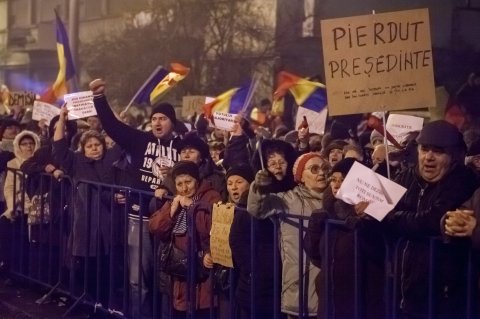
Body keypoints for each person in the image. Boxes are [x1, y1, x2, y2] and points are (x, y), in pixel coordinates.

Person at [90, 79, 182, 318]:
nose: (157, 122)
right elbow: (112, 126)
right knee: (137, 279)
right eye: (154, 119)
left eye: (163, 118)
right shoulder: (141, 140)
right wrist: (99, 97)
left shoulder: (183, 145)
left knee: (166, 279)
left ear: (172, 122)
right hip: (138, 216)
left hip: (171, 220)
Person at [383, 120, 479, 319]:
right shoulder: (406, 177)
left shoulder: (462, 180)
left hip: (442, 296)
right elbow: (380, 209)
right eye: (424, 149)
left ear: (453, 156)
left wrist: (391, 218)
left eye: (438, 151)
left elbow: (432, 220)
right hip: (401, 291)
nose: (428, 158)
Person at [248, 152, 330, 318]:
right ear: (301, 176)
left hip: (330, 285)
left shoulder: (338, 200)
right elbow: (257, 209)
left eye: (325, 168)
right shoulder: (288, 200)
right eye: (314, 169)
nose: (321, 173)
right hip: (300, 284)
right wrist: (259, 188)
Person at [53, 107, 120, 304]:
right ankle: (86, 302)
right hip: (85, 223)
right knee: (85, 265)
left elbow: (122, 137)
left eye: (97, 144)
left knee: (106, 265)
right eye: (89, 145)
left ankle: (104, 304)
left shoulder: (110, 159)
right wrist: (62, 119)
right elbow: (58, 145)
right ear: (82, 149)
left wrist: (113, 115)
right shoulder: (75, 162)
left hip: (107, 222)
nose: (94, 148)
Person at [304, 158, 385, 319]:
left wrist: (365, 227)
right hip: (330, 301)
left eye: (343, 179)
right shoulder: (328, 212)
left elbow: (378, 255)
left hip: (360, 302)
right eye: (333, 179)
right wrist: (314, 226)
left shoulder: (370, 215)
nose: (336, 184)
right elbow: (314, 255)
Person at [149, 161, 221, 319]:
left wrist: (193, 206)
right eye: (179, 184)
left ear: (197, 180)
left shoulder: (212, 196)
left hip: (202, 269)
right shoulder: (177, 198)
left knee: (203, 309)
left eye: (188, 182)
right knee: (180, 311)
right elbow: (155, 227)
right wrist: (171, 212)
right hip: (180, 270)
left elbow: (210, 229)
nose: (184, 188)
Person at [225, 164, 277, 319]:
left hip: (255, 278)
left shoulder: (254, 209)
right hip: (244, 277)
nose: (234, 187)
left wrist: (251, 268)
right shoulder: (226, 206)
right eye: (229, 183)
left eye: (239, 182)